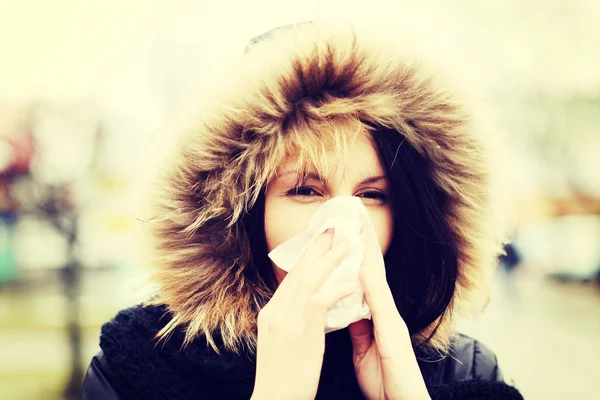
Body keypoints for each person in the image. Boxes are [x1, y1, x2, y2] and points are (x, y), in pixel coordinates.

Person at [81, 22, 523, 399]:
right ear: (245, 213)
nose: (342, 225)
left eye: (372, 196)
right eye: (306, 190)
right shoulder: (139, 366)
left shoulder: (466, 372)